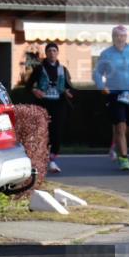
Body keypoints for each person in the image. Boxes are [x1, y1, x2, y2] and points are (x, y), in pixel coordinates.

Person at [26, 42, 74, 173]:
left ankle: (52, 160)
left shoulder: (63, 70)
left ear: (57, 53)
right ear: (46, 53)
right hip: (43, 105)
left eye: (54, 51)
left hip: (59, 105)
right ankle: (41, 159)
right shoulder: (39, 69)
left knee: (57, 133)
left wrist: (68, 92)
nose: (52, 53)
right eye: (49, 51)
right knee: (42, 132)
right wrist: (35, 90)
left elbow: (69, 86)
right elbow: (28, 86)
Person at [93, 25, 129, 171]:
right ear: (112, 37)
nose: (120, 38)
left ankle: (116, 144)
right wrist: (101, 86)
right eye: (117, 36)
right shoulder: (106, 54)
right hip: (115, 94)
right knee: (120, 126)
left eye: (122, 36)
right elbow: (97, 73)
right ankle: (124, 158)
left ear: (126, 37)